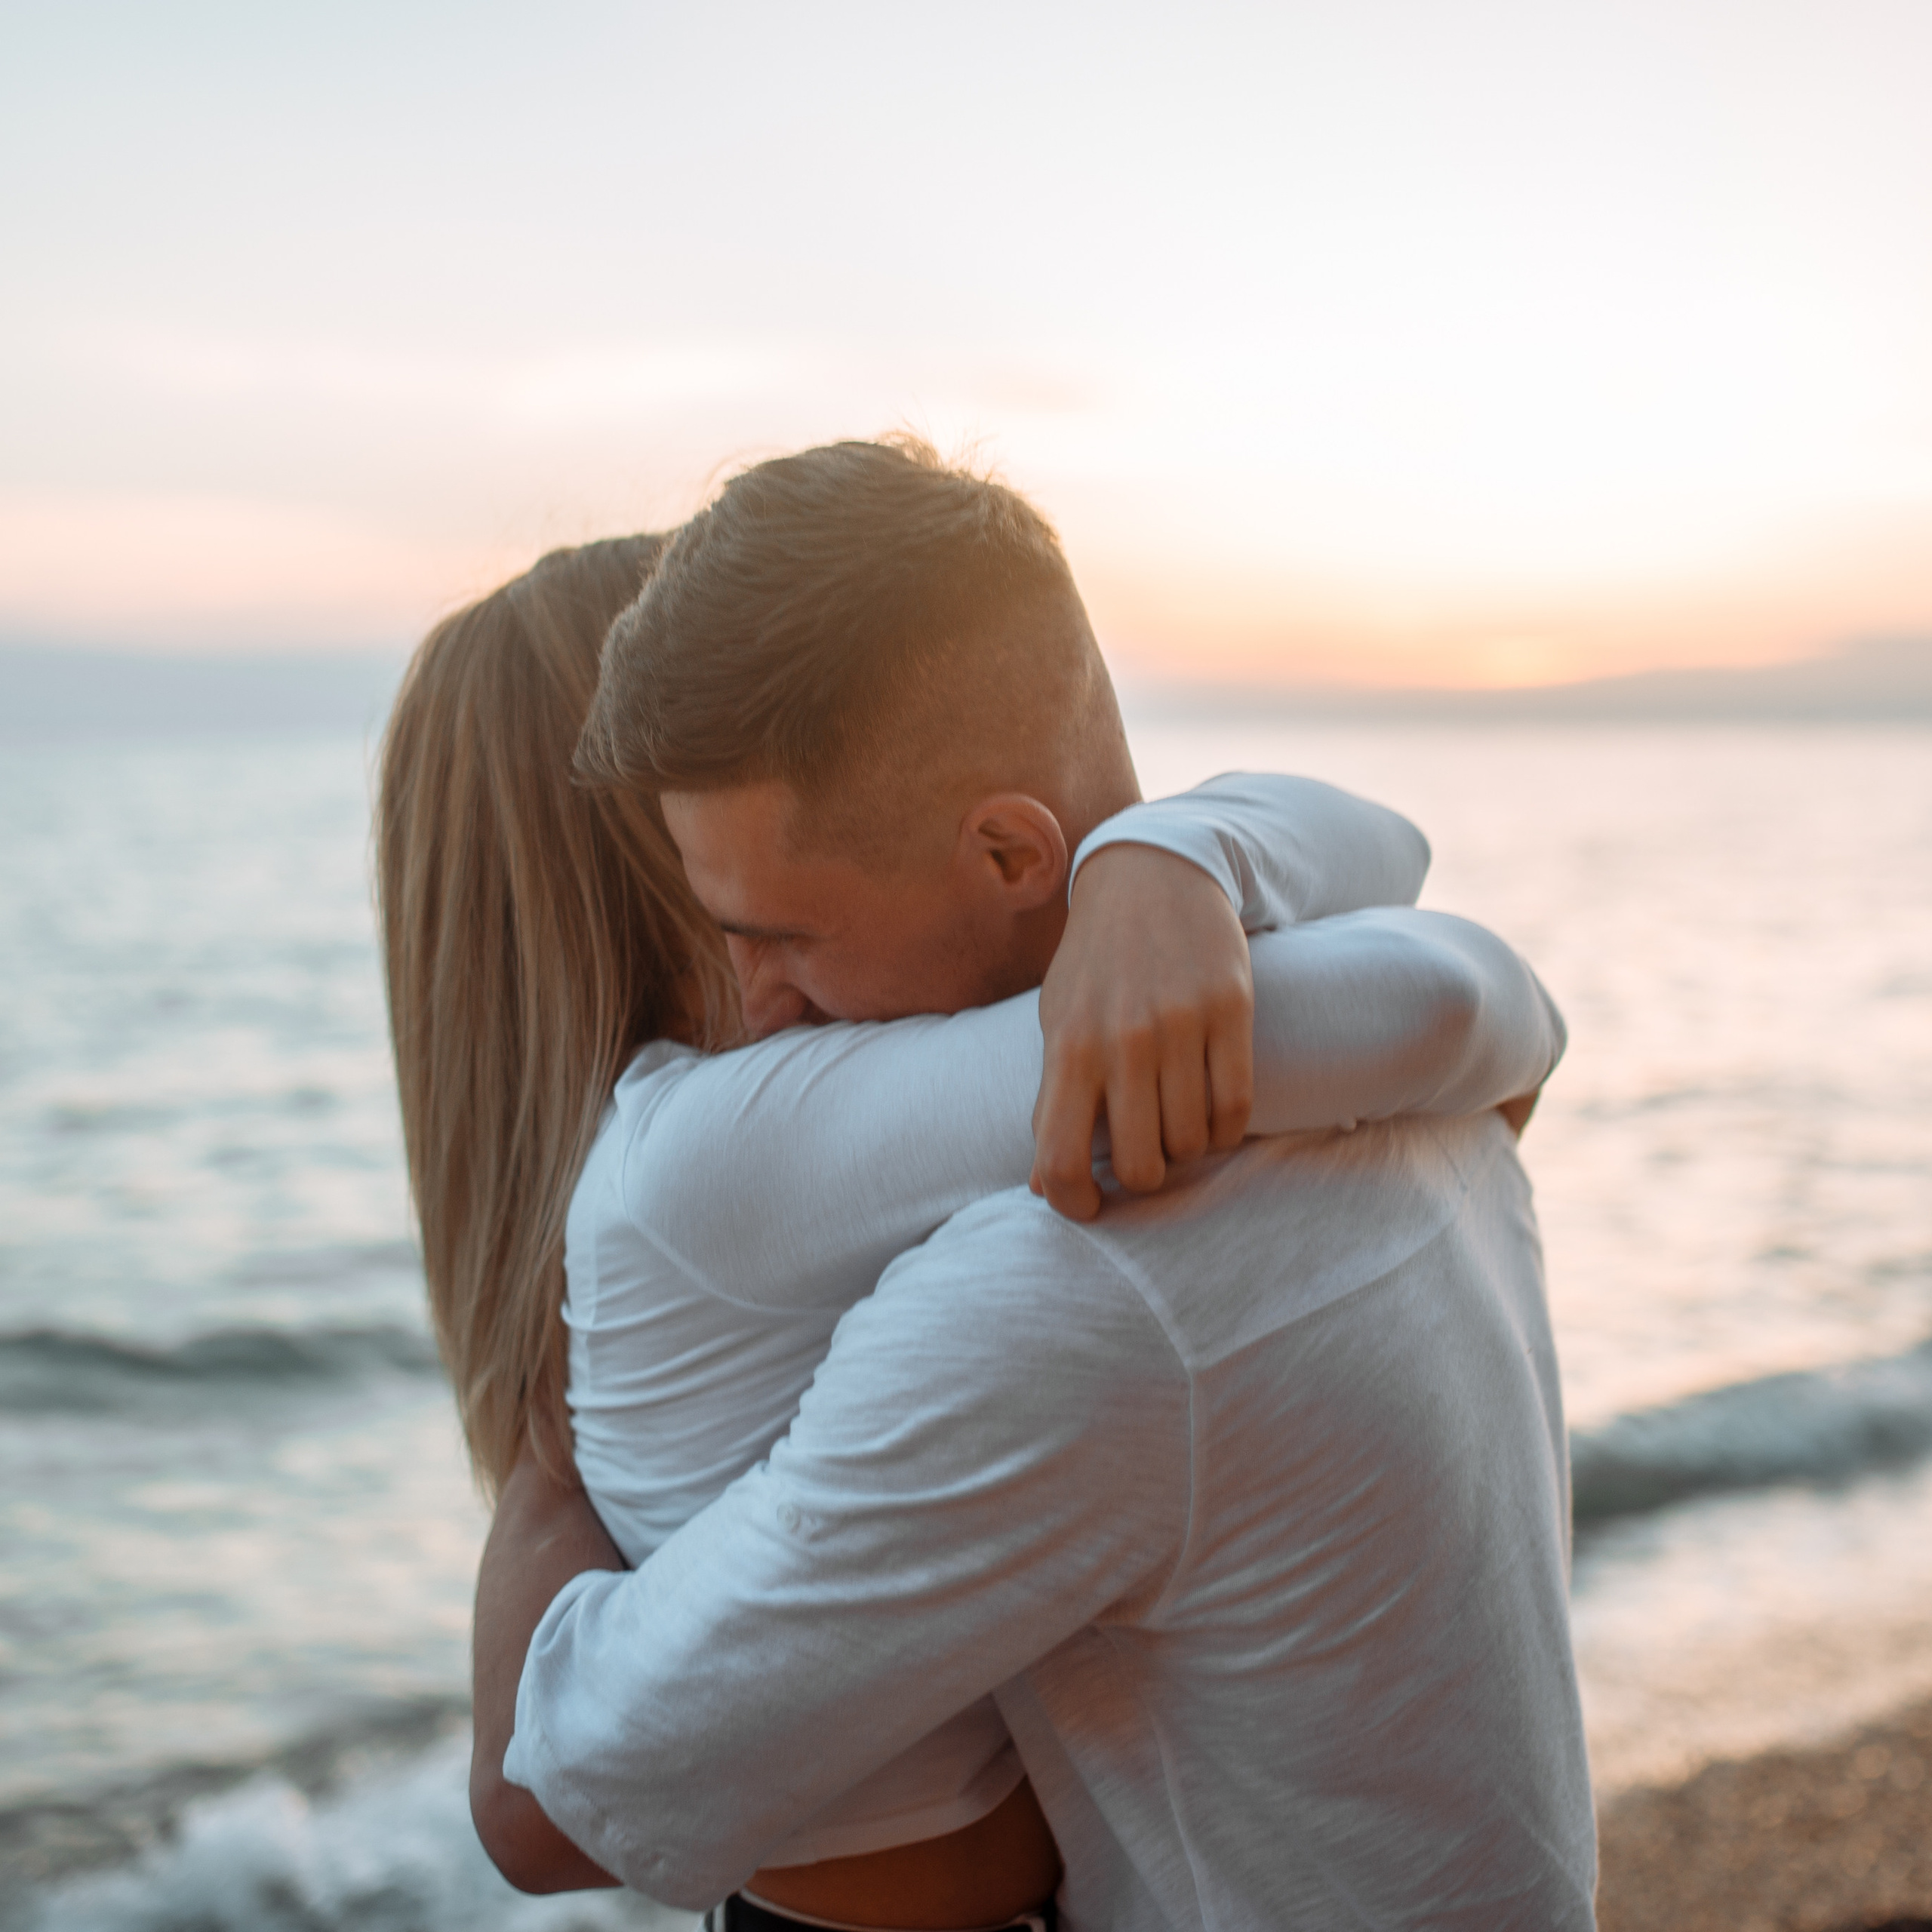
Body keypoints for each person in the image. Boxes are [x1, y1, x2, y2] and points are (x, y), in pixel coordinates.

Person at [473, 441, 1598, 1929]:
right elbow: (1474, 996)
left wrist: (544, 1478)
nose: (754, 1004)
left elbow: (580, 1777)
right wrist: (1172, 845)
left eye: (787, 931)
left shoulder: (1063, 1291)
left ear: (1010, 849)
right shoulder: (1418, 1105)